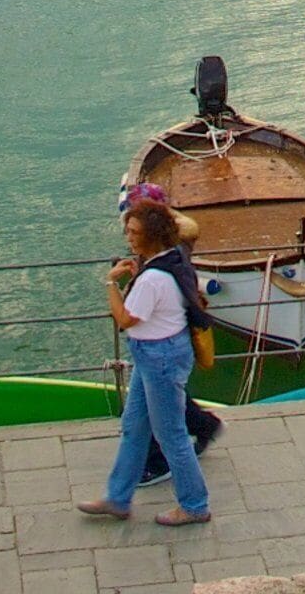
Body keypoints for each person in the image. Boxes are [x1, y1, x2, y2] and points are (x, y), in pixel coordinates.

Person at [76, 200, 209, 527]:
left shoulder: (152, 279)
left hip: (158, 358)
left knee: (171, 435)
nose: (129, 237)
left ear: (151, 235)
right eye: (128, 231)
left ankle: (195, 504)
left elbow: (125, 319)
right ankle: (118, 497)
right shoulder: (173, 259)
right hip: (161, 354)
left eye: (134, 232)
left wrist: (111, 283)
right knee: (134, 425)